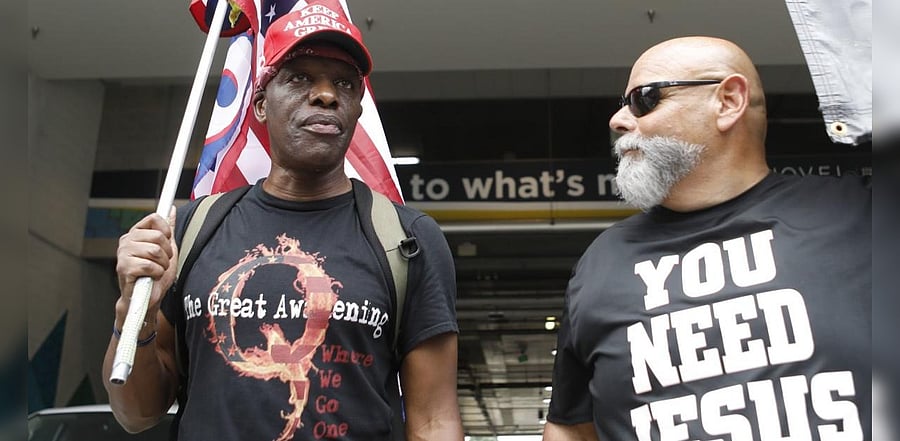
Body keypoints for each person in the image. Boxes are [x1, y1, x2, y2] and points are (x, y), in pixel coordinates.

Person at [102, 1, 464, 440]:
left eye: (345, 83)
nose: (326, 95)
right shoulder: (190, 229)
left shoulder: (409, 239)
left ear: (356, 109)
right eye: (300, 78)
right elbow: (136, 413)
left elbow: (434, 420)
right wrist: (133, 310)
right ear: (259, 104)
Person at [543, 36, 871, 441]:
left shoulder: (860, 218)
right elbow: (570, 426)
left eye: (644, 99)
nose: (618, 120)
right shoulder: (601, 262)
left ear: (728, 101)